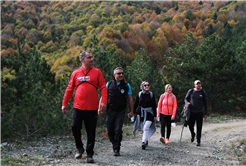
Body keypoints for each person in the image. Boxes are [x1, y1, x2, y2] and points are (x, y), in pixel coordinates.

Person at [61, 51, 107, 163]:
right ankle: (79, 148)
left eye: (92, 57)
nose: (92, 59)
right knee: (74, 127)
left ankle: (90, 154)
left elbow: (103, 87)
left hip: (92, 108)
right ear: (82, 59)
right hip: (78, 107)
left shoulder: (97, 72)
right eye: (89, 57)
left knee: (91, 131)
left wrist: (104, 101)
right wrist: (64, 103)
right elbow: (69, 89)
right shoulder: (76, 73)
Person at [106, 67, 134, 156]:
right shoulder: (109, 84)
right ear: (114, 75)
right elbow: (103, 96)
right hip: (110, 110)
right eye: (119, 73)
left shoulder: (126, 85)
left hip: (121, 111)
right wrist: (100, 106)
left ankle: (116, 148)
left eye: (122, 73)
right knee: (110, 130)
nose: (121, 75)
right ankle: (114, 141)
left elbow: (130, 99)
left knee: (118, 129)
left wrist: (132, 111)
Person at [133, 81, 157, 150]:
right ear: (142, 87)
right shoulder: (139, 94)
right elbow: (135, 104)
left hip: (150, 113)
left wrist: (155, 115)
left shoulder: (151, 94)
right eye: (145, 85)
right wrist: (133, 113)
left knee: (146, 127)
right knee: (143, 128)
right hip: (142, 113)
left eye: (148, 85)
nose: (147, 86)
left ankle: (143, 142)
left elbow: (154, 105)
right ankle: (145, 140)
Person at [184, 80, 207, 146]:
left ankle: (198, 141)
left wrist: (206, 113)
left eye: (199, 84)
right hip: (191, 112)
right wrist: (187, 103)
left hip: (199, 112)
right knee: (190, 125)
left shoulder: (203, 93)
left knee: (199, 127)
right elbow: (186, 99)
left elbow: (205, 103)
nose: (198, 85)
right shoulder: (191, 91)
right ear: (194, 85)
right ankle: (193, 134)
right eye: (197, 84)